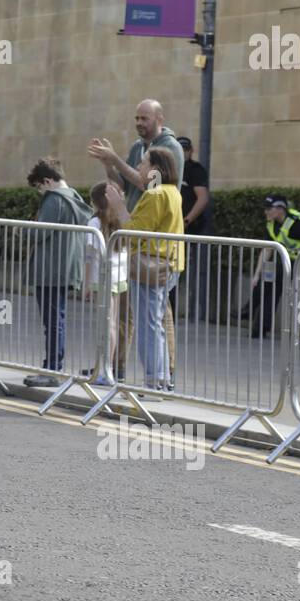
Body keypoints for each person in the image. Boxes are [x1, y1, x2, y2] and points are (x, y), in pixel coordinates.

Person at [102, 148, 185, 392]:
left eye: (144, 163)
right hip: (167, 264)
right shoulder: (171, 192)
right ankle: (159, 379)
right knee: (154, 323)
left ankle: (154, 380)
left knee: (147, 325)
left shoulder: (155, 194)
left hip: (151, 264)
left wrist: (118, 208)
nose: (139, 167)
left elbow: (135, 232)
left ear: (157, 169)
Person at [22, 158, 92, 388]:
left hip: (49, 269)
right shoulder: (75, 197)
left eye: (40, 187)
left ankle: (52, 368)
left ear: (48, 181)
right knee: (57, 319)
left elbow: (39, 233)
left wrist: (24, 229)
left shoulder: (54, 200)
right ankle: (53, 365)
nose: (40, 192)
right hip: (67, 267)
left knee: (52, 321)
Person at [87, 99, 185, 211]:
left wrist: (115, 159)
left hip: (158, 221)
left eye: (144, 118)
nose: (139, 123)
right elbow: (123, 185)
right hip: (136, 221)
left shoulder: (170, 147)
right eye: (137, 118)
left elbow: (152, 186)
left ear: (159, 120)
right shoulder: (137, 147)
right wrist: (108, 165)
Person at [249, 195, 300, 339]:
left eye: (269, 209)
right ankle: (257, 326)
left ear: (280, 209)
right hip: (287, 264)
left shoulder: (296, 225)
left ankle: (250, 313)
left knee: (279, 282)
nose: (266, 212)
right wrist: (257, 274)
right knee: (267, 282)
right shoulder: (272, 225)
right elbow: (267, 250)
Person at [86, 181, 129, 386]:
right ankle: (105, 367)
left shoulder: (94, 223)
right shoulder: (121, 220)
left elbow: (89, 256)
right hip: (119, 278)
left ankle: (105, 369)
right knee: (112, 322)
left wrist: (86, 284)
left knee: (106, 324)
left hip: (101, 279)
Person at [176, 135, 212, 322]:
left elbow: (202, 198)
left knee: (185, 271)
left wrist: (186, 220)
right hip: (172, 229)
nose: (182, 153)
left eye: (185, 149)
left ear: (191, 151)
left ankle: (192, 312)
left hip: (188, 230)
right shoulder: (170, 169)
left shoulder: (194, 170)